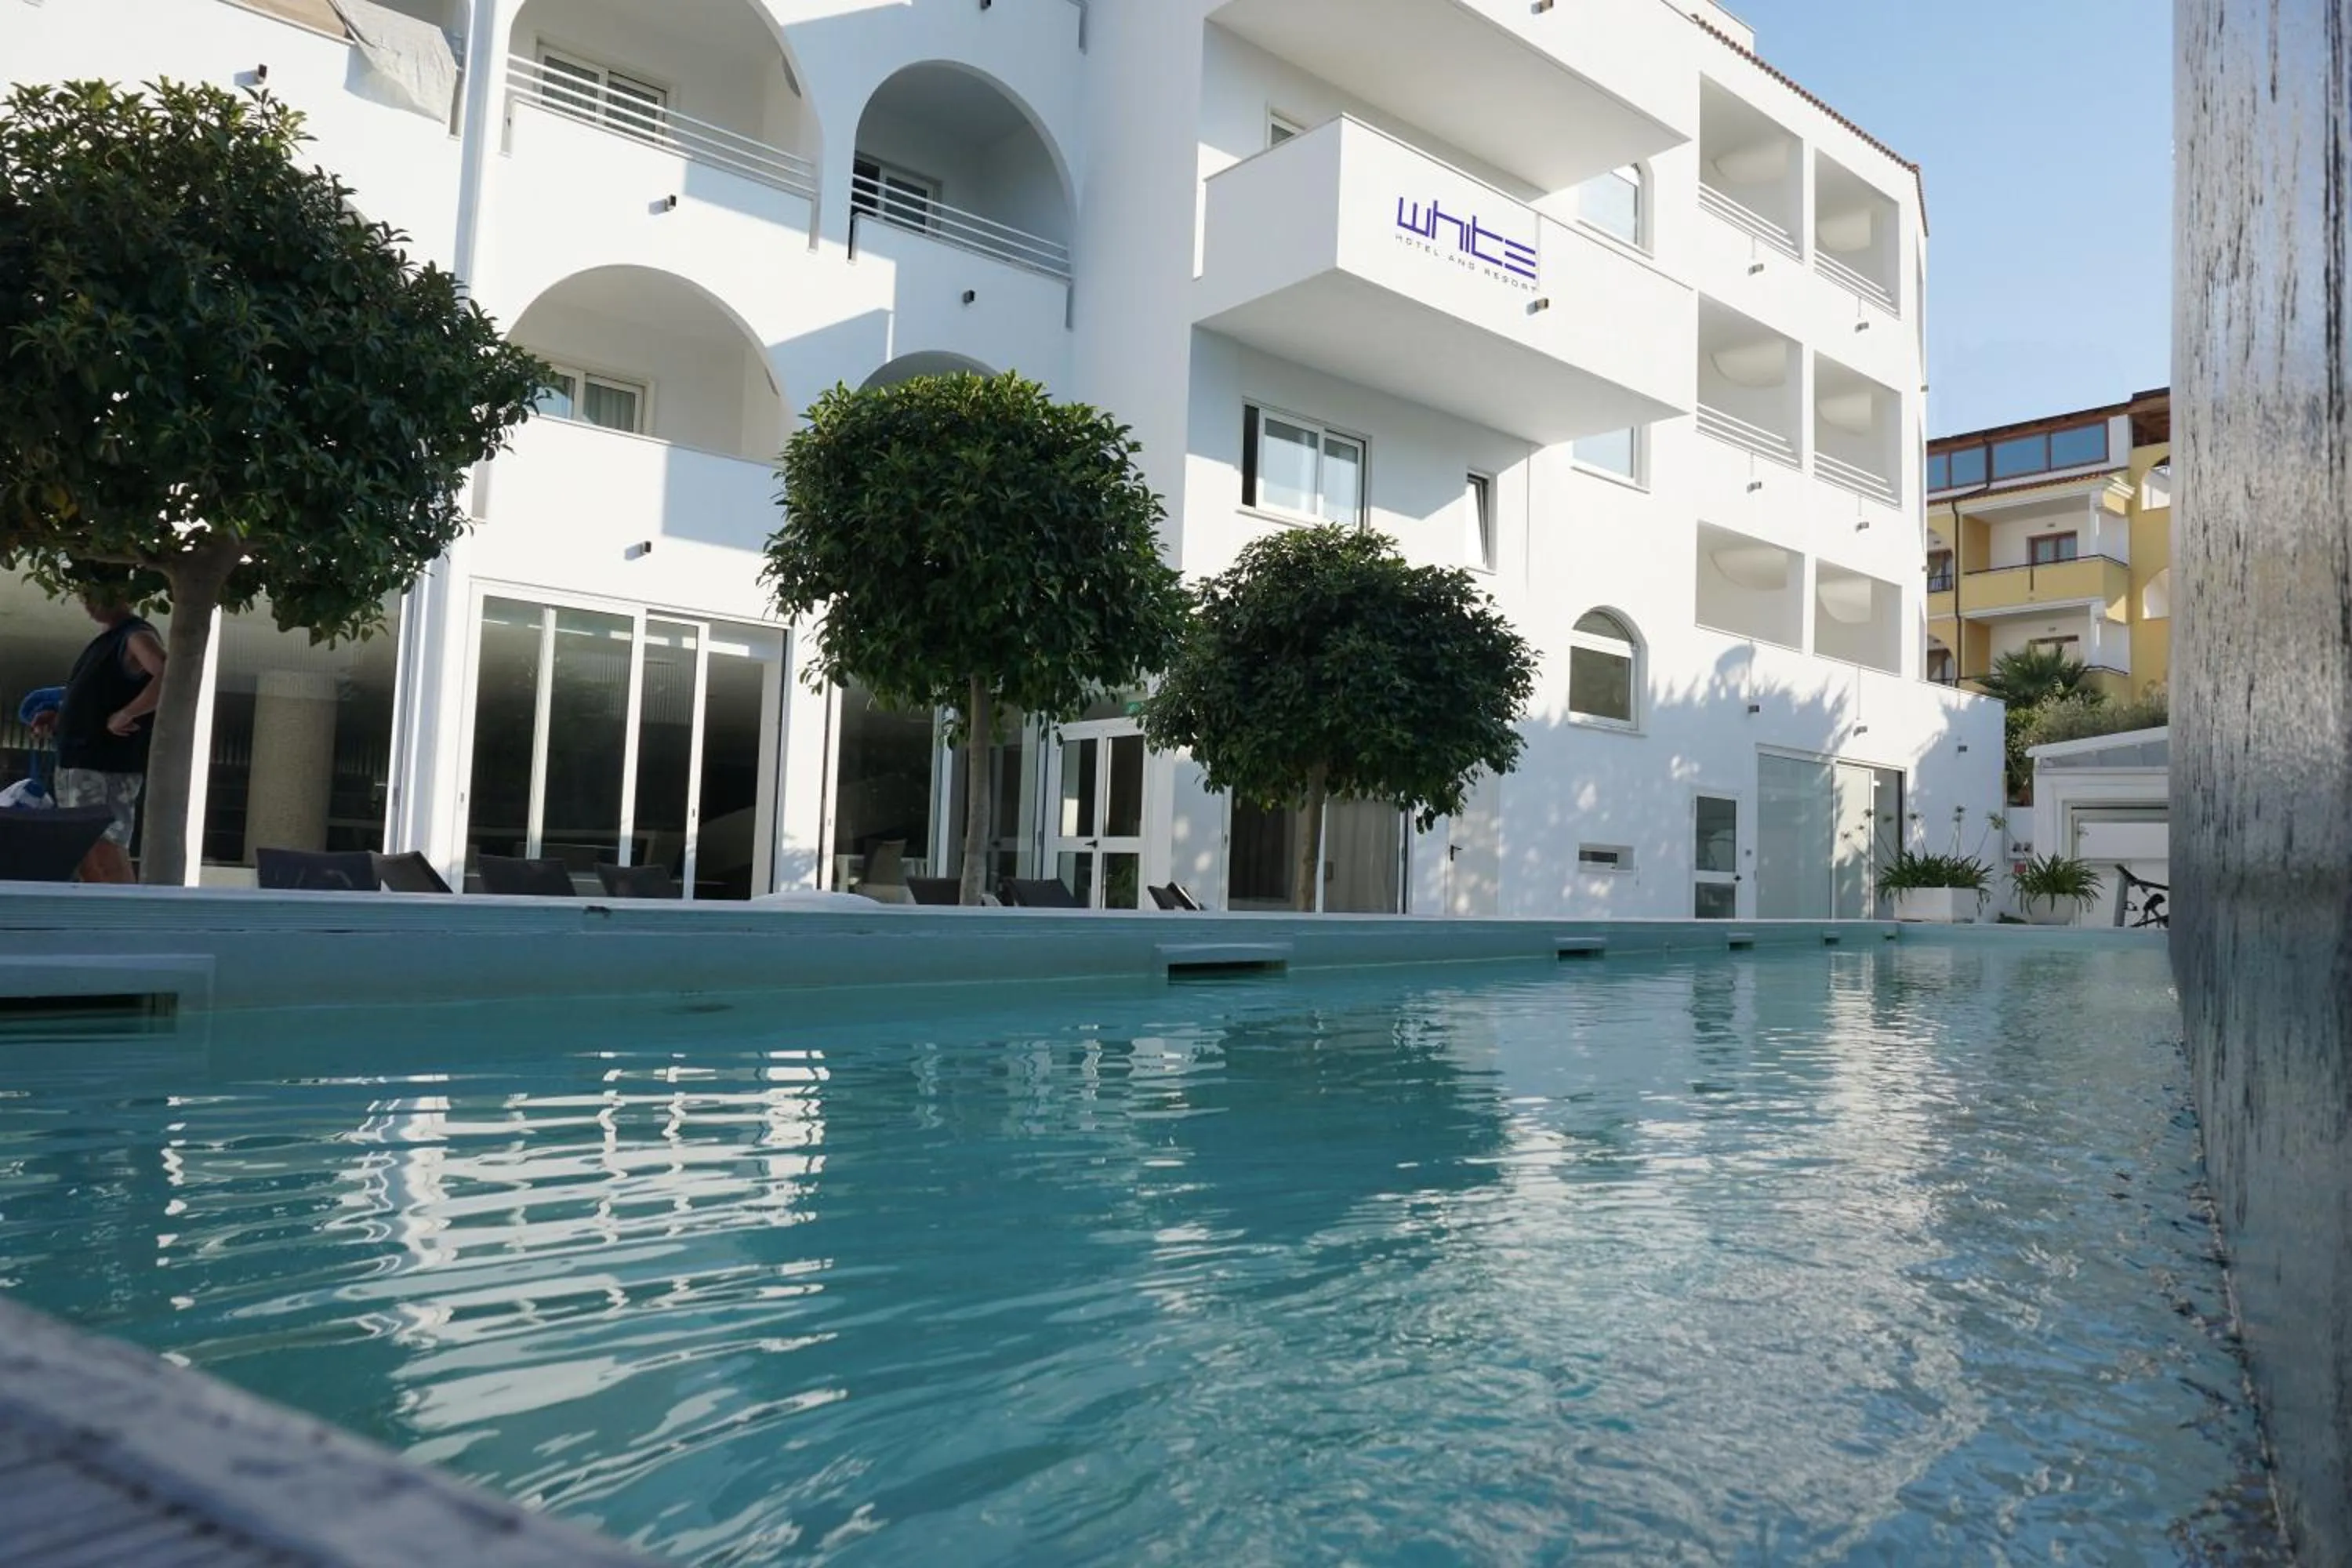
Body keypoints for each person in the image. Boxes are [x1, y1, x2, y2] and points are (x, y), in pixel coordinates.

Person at [27, 589, 168, 884]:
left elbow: (167, 674)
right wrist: (60, 718)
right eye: (85, 599)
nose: (90, 607)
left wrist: (129, 713)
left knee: (103, 848)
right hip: (81, 760)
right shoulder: (109, 639)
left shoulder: (134, 635)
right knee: (85, 852)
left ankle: (121, 911)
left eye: (96, 598)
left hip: (104, 765)